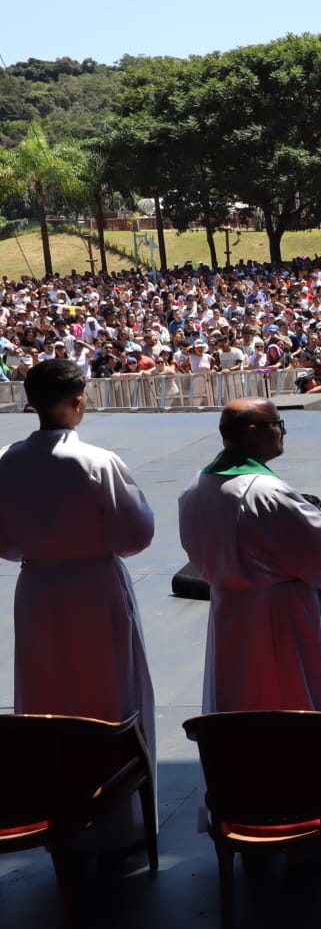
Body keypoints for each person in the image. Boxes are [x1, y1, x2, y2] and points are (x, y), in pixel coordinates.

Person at [0, 359, 156, 848]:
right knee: (109, 691)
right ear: (78, 400)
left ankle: (57, 809)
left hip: (39, 589)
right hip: (94, 586)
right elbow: (136, 533)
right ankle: (116, 817)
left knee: (48, 692)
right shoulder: (97, 461)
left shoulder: (7, 460)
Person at [178, 398, 321, 714]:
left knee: (244, 698)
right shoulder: (267, 491)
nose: (282, 432)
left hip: (230, 612)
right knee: (289, 697)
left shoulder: (196, 486)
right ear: (253, 431)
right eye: (278, 425)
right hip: (284, 615)